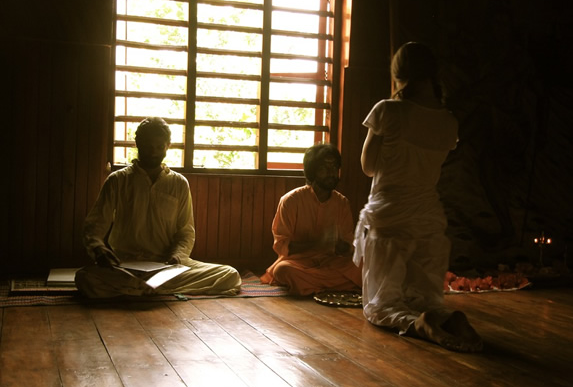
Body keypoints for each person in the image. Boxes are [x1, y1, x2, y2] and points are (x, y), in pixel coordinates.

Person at [353, 42, 483, 352]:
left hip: (389, 216)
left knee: (379, 306)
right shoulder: (448, 121)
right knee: (422, 297)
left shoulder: (387, 110)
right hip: (427, 216)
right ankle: (446, 317)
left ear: (397, 73)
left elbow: (368, 167)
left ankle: (418, 325)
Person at [75, 117, 241, 298]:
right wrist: (99, 250)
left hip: (167, 267)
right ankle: (149, 288)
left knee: (229, 275)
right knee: (85, 277)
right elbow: (94, 226)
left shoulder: (178, 184)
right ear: (137, 144)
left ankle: (138, 289)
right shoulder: (118, 180)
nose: (153, 153)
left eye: (159, 147)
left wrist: (177, 256)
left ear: (168, 146)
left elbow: (186, 231)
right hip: (125, 266)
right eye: (148, 147)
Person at [260, 144, 362, 295]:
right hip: (298, 263)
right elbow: (282, 246)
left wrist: (340, 246)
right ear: (312, 171)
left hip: (331, 262)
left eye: (334, 167)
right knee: (283, 270)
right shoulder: (291, 200)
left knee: (363, 266)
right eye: (324, 168)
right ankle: (338, 285)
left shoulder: (342, 203)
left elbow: (349, 246)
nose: (331, 173)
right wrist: (318, 243)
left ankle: (310, 287)